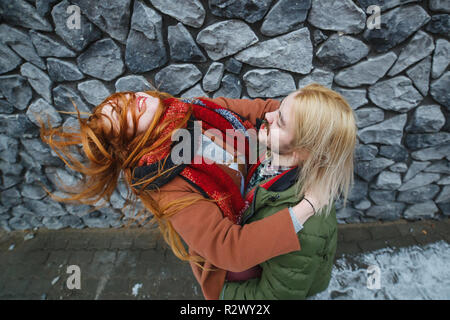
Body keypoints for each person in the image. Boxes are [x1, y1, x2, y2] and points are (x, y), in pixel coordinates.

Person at [38, 87, 325, 300]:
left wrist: (309, 119)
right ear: (135, 140)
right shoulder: (168, 187)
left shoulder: (191, 110)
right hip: (241, 266)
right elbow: (230, 250)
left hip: (257, 199)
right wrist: (309, 206)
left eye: (123, 98)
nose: (132, 102)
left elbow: (259, 109)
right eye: (126, 115)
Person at [220, 84, 358, 299]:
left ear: (301, 152)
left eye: (281, 121)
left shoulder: (304, 232)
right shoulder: (270, 152)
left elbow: (275, 297)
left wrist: (221, 293)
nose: (268, 115)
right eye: (279, 107)